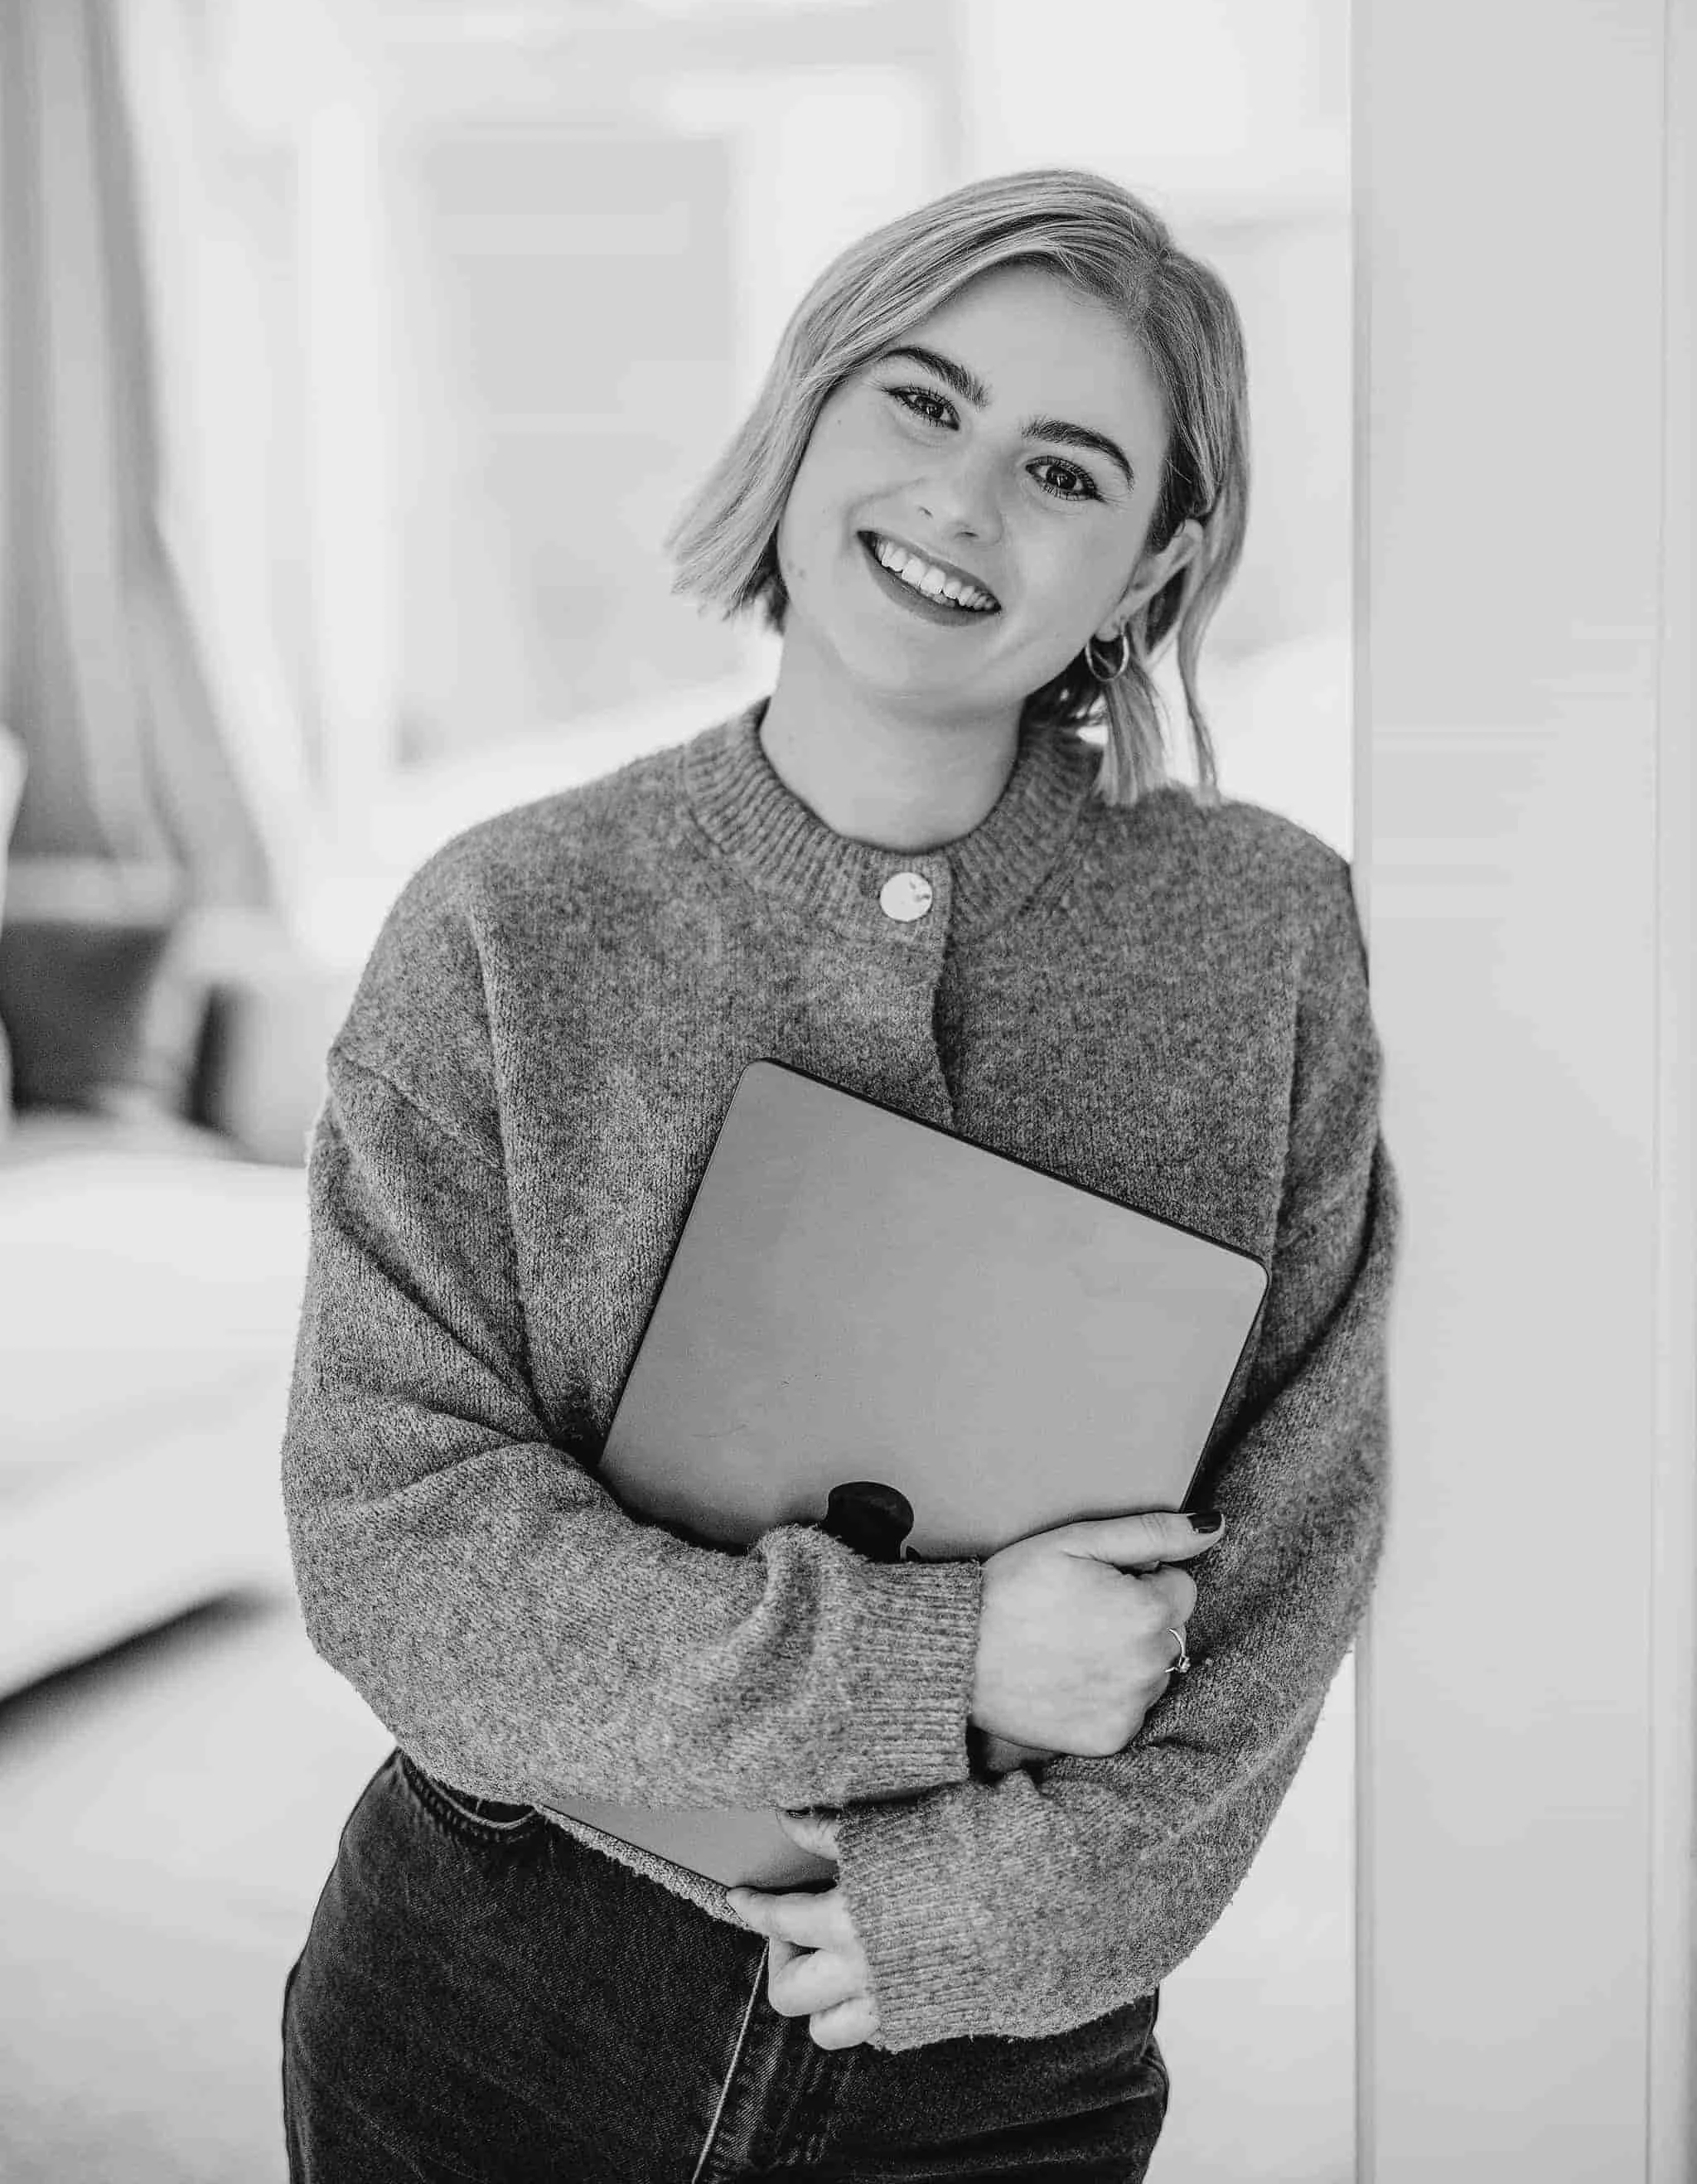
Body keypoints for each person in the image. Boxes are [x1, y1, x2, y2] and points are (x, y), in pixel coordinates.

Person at [279, 165, 1399, 2182]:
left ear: (1149, 571)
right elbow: (393, 1539)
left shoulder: (1264, 940)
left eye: (1067, 469)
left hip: (997, 2054)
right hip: (489, 1998)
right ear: (805, 418)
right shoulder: (510, 925)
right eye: (920, 402)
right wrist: (934, 1657)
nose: (963, 503)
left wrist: (1012, 1915)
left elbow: (1298, 1530)